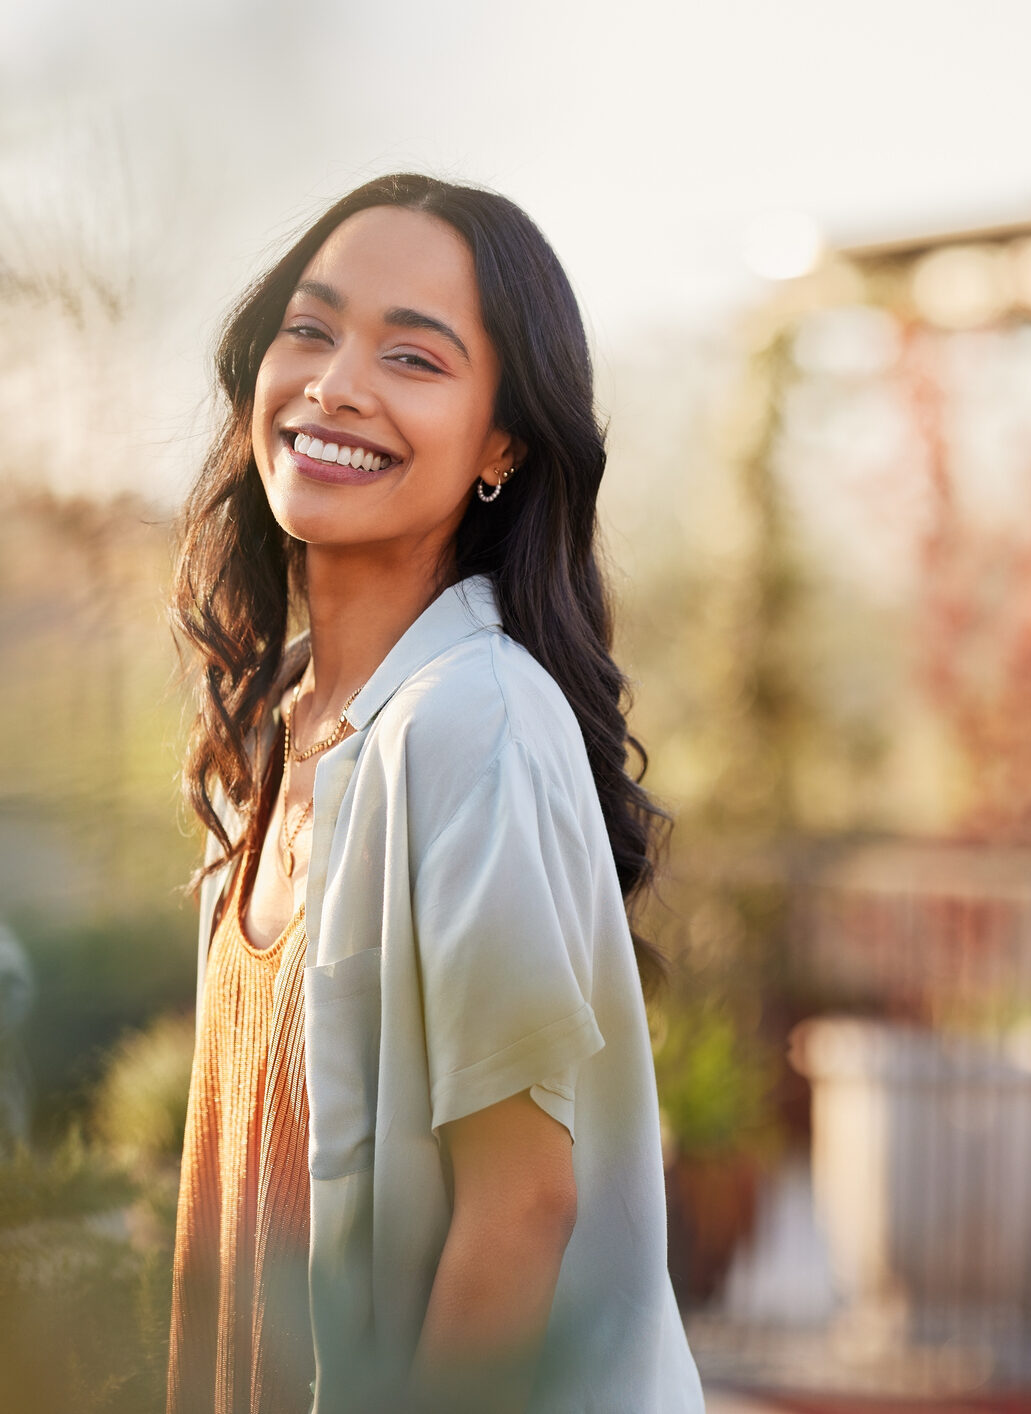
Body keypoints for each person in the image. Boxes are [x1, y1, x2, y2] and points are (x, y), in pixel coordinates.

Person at [165, 172, 705, 1414]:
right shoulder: (271, 731)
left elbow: (520, 1208)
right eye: (310, 329)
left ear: (501, 443)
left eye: (413, 357)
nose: (337, 383)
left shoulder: (475, 720)